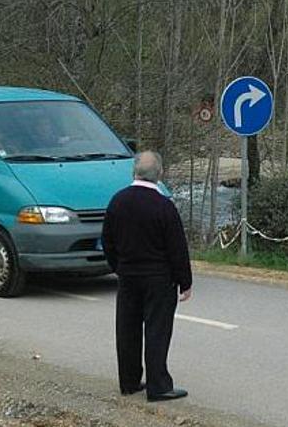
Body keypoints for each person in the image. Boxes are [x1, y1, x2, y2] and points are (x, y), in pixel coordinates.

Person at [101, 151, 193, 402]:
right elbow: (177, 248)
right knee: (157, 331)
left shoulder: (117, 202)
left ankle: (129, 382)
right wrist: (185, 281)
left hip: (128, 276)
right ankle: (158, 386)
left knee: (127, 329)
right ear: (159, 174)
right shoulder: (163, 206)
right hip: (158, 279)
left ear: (134, 172)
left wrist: (118, 267)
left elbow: (107, 240)